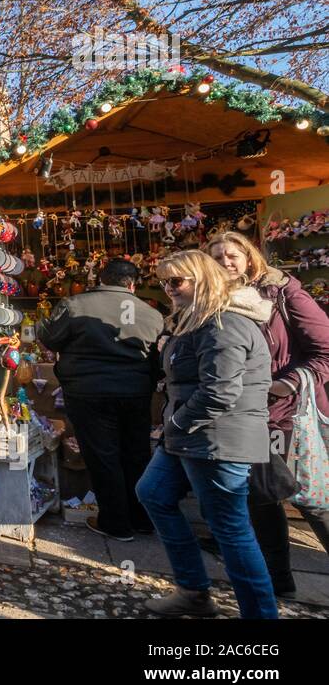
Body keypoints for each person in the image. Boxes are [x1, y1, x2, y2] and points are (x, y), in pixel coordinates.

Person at [135, 249, 278, 619]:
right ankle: (194, 592)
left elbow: (220, 393)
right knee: (152, 493)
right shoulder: (197, 321)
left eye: (176, 281)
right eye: (164, 282)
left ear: (202, 280)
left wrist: (176, 423)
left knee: (230, 528)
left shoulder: (223, 324)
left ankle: (261, 616)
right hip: (189, 435)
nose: (169, 289)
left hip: (216, 439)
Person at [209, 231, 329, 595]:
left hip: (285, 411)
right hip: (242, 416)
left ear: (249, 257)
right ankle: (279, 581)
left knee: (310, 497)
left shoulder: (281, 290)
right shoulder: (213, 297)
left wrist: (284, 385)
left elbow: (324, 349)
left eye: (232, 255)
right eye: (216, 257)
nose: (225, 262)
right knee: (261, 498)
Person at [37, 258, 165, 541]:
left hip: (89, 392)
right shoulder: (151, 314)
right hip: (135, 392)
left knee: (103, 456)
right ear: (132, 285)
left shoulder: (76, 305)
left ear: (101, 279)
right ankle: (142, 518)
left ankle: (116, 523)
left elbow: (48, 337)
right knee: (136, 455)